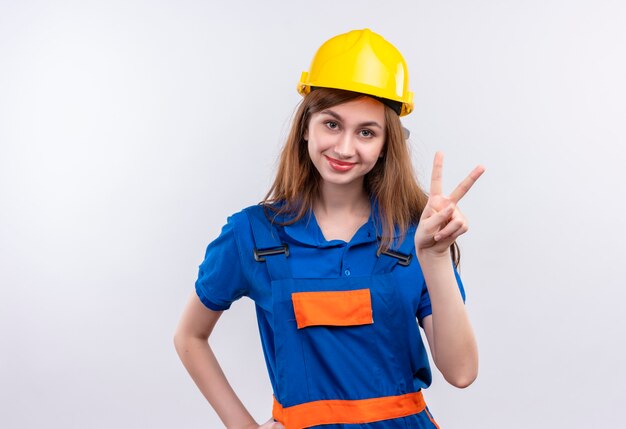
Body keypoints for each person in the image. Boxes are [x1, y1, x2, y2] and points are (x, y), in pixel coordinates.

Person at [174, 28, 485, 429]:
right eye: (332, 124)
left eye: (366, 132)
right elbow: (189, 337)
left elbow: (461, 373)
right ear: (306, 126)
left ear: (387, 144)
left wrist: (436, 257)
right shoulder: (251, 234)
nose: (344, 148)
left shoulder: (416, 235)